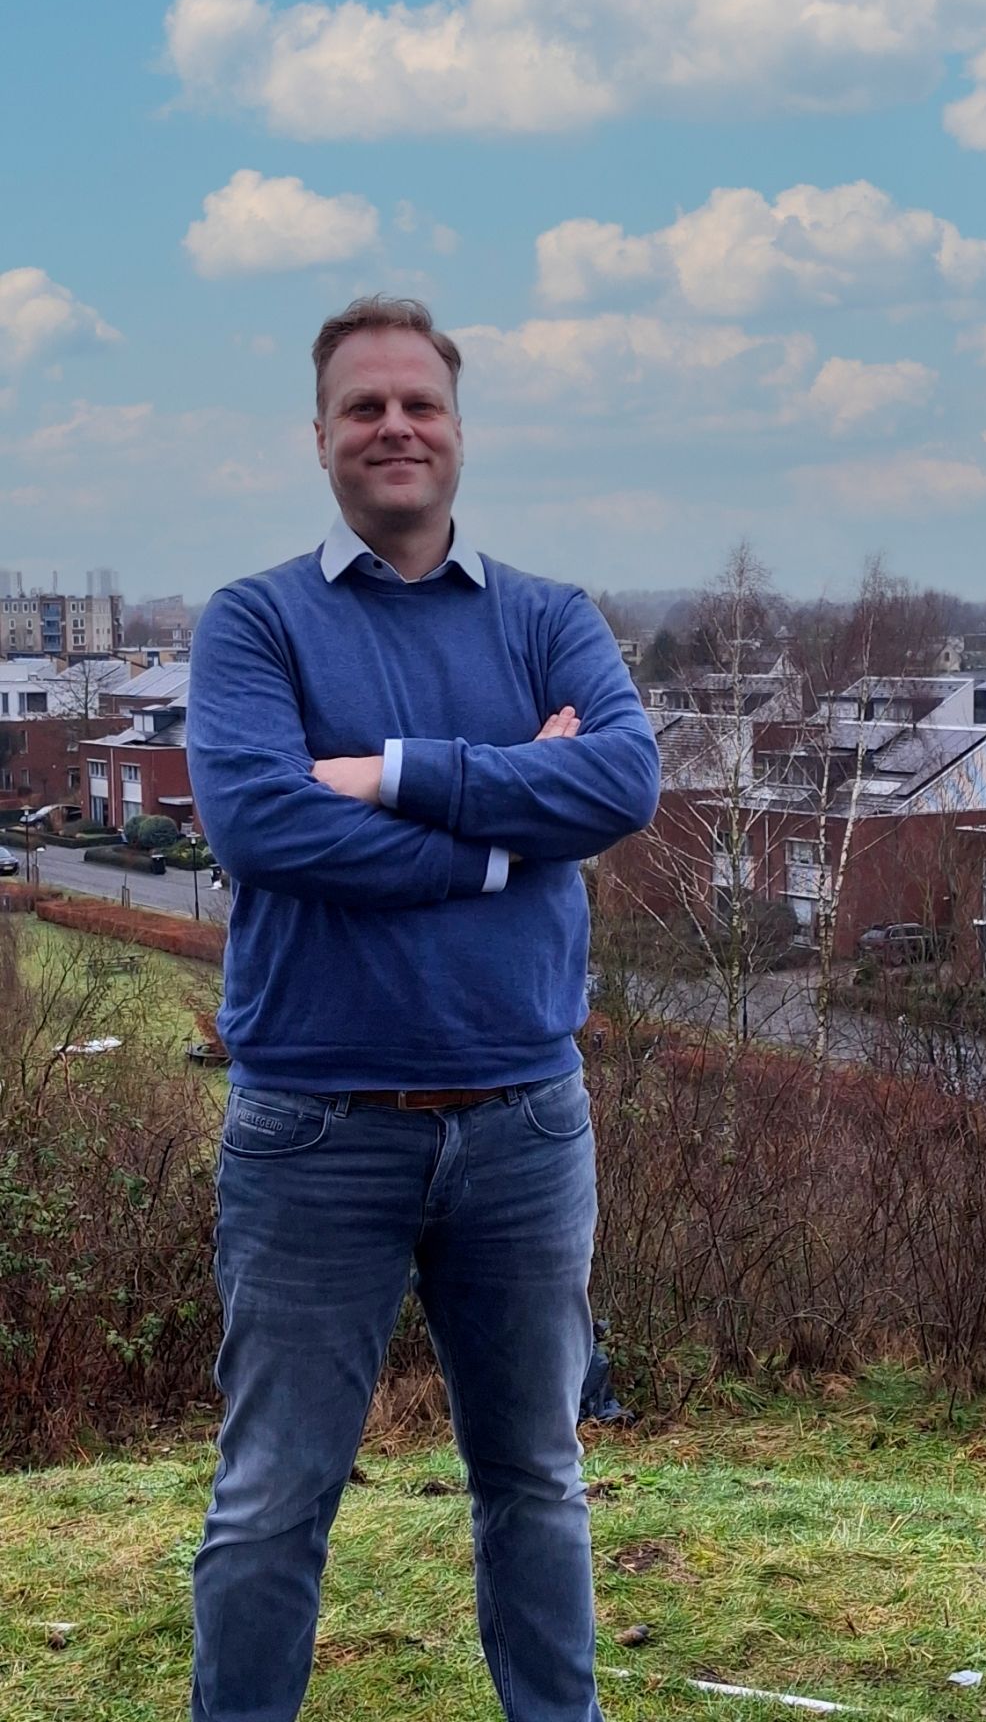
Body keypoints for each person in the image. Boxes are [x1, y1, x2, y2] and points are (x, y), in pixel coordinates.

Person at [186, 295, 660, 1722]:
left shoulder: (549, 617)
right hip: (314, 1131)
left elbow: (620, 782)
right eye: (365, 406)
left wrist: (385, 772)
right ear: (321, 436)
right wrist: (510, 826)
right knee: (272, 1497)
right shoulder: (256, 622)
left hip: (526, 1129)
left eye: (420, 404)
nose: (394, 426)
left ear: (457, 430)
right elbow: (266, 829)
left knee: (538, 1479)